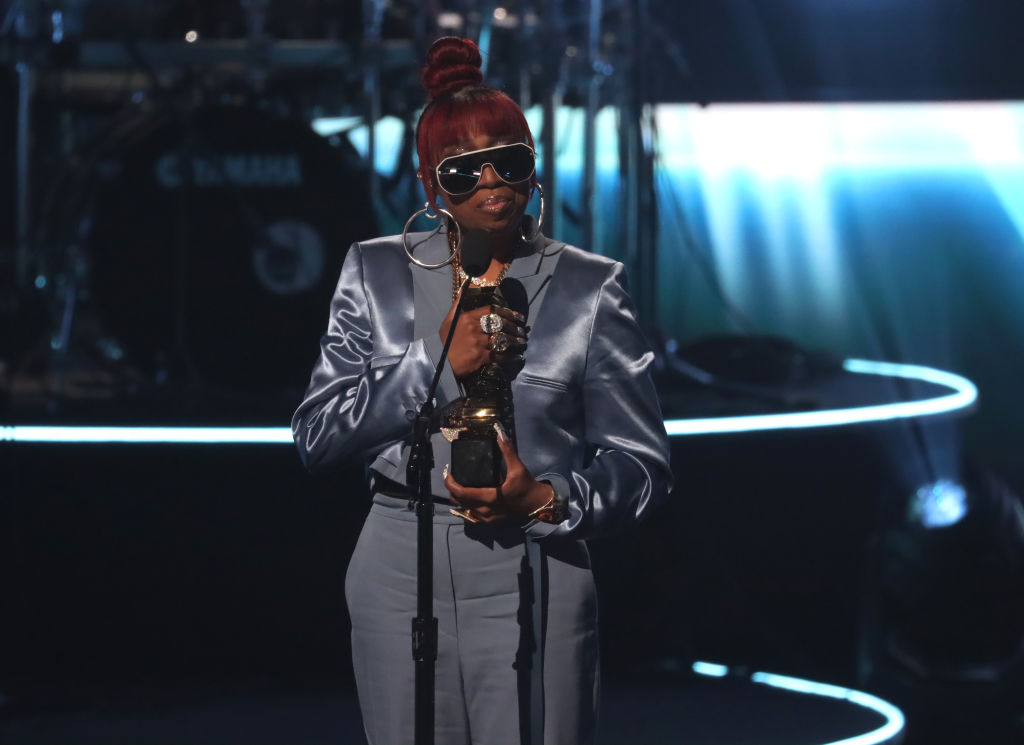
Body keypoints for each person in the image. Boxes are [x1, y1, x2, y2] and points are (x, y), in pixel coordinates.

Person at [292, 36, 672, 745]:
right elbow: (317, 436)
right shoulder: (374, 273)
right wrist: (436, 357)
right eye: (465, 168)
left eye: (512, 159)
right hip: (398, 557)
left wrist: (548, 498)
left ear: (535, 170)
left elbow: (643, 467)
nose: (493, 178)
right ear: (431, 185)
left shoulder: (591, 286)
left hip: (539, 559)